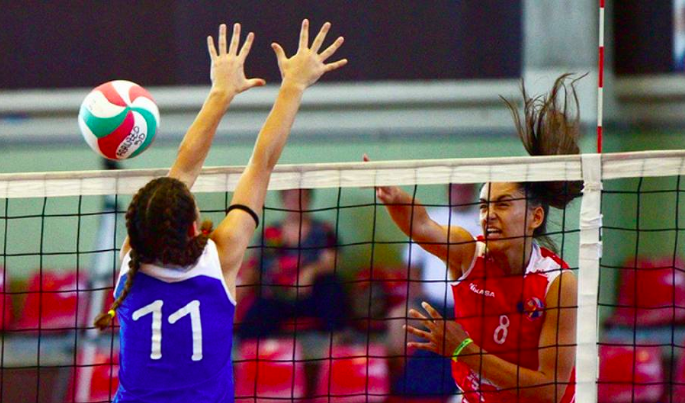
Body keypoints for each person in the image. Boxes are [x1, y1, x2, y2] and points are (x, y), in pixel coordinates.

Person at [93, 20, 347, 402]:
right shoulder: (220, 258)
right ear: (193, 227)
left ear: (137, 229)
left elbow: (183, 170)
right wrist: (291, 86)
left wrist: (220, 94)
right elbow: (260, 164)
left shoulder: (132, 262)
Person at [375, 74, 581, 403]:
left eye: (503, 204)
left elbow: (549, 391)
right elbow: (422, 226)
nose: (489, 215)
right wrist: (395, 199)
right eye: (484, 206)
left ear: (535, 217)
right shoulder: (468, 252)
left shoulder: (557, 282)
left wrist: (463, 350)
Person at [238, 188, 348, 338]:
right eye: (292, 199)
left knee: (332, 286)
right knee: (256, 316)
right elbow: (254, 266)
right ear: (283, 200)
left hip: (311, 297)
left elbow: (332, 262)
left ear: (309, 199)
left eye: (301, 198)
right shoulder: (270, 233)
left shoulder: (323, 230)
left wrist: (311, 271)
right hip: (276, 298)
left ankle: (337, 338)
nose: (296, 203)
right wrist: (235, 296)